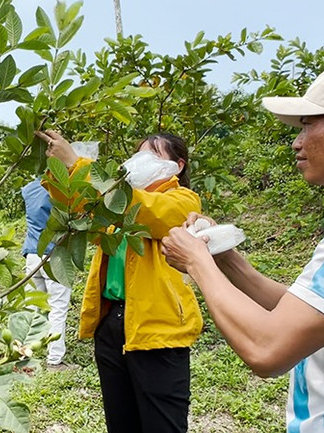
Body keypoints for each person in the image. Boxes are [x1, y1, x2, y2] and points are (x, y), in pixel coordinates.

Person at [160, 59, 324, 432]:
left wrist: (197, 263)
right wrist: (225, 259)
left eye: (309, 125)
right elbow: (303, 312)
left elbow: (267, 349)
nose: (298, 142)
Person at [36, 129, 203, 433]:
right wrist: (59, 168)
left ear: (178, 165)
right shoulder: (115, 204)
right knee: (120, 421)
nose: (142, 160)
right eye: (139, 153)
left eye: (153, 154)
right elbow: (76, 206)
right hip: (112, 323)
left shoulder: (183, 202)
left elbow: (149, 212)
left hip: (159, 328)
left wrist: (78, 164)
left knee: (163, 425)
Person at [21, 176, 74, 370]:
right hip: (55, 255)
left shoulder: (28, 189)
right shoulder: (63, 190)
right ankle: (54, 360)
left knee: (32, 308)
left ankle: (22, 355)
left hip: (32, 254)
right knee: (58, 308)